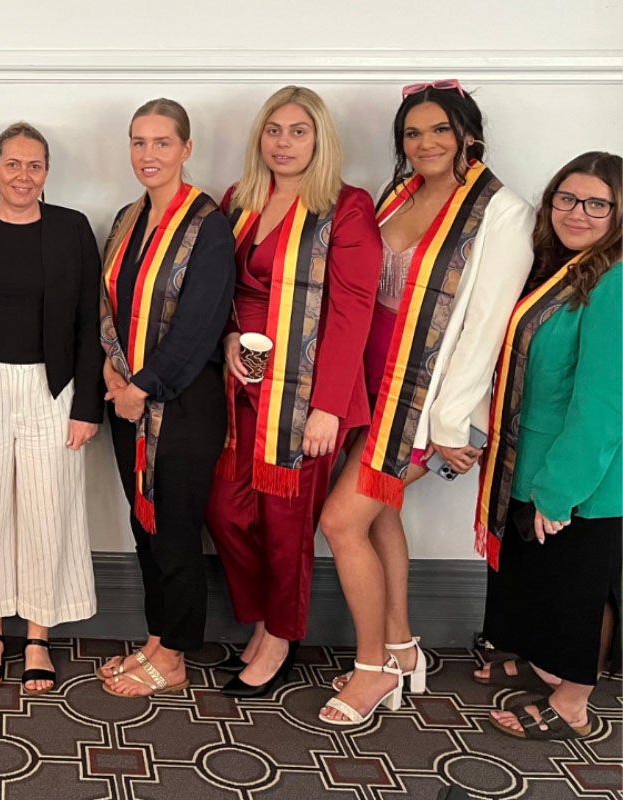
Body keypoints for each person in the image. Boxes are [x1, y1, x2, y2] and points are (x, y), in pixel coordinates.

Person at [317, 80, 533, 725]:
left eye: (439, 130)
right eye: (413, 133)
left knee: (341, 520)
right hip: (371, 382)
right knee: (378, 512)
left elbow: (486, 327)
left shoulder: (502, 211)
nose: (426, 143)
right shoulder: (397, 195)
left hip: (427, 398)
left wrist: (448, 424)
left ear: (469, 133)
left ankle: (372, 670)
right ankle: (404, 647)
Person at [205, 86, 381, 697]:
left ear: (320, 138)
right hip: (244, 384)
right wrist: (229, 338)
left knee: (286, 520)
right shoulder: (241, 200)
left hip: (307, 396)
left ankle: (281, 636)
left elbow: (353, 309)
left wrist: (329, 405)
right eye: (273, 129)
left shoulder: (347, 207)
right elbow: (219, 288)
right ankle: (262, 619)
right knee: (225, 510)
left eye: (298, 131)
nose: (283, 142)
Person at [0, 122, 102, 694]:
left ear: (47, 172)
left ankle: (37, 636)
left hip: (55, 391)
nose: (22, 176)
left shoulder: (73, 229)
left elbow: (88, 324)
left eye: (34, 166)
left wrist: (88, 407)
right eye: (12, 164)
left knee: (47, 510)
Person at [474, 151, 621, 740]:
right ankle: (542, 662)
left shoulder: (613, 282)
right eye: (566, 198)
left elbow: (603, 400)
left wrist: (561, 491)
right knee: (543, 580)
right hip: (533, 456)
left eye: (596, 204)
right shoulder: (561, 268)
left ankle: (573, 702)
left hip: (586, 472)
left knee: (579, 586)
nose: (577, 213)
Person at [97, 99, 236, 698]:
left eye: (160, 142)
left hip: (180, 402)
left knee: (175, 529)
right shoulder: (128, 218)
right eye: (138, 142)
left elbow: (200, 326)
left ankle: (176, 655)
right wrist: (111, 372)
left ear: (186, 148)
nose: (147, 155)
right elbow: (108, 306)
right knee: (143, 524)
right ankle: (157, 636)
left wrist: (142, 388)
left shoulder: (208, 224)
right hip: (123, 396)